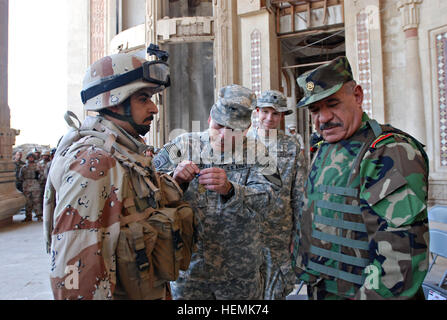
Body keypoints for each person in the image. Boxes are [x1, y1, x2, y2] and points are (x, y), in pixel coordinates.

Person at [292, 56, 429, 300]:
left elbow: (399, 265)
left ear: (357, 96)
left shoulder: (388, 151)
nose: (323, 118)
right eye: (315, 110)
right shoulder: (326, 145)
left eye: (332, 104)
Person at [43, 48, 175, 300]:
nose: (154, 108)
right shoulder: (95, 161)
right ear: (114, 100)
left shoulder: (123, 153)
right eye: (143, 98)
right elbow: (74, 270)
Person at [153, 84, 282, 300]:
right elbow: (148, 189)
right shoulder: (182, 144)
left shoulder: (261, 153)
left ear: (248, 128)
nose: (223, 136)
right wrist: (175, 182)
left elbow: (271, 199)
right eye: (219, 125)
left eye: (233, 131)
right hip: (189, 270)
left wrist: (232, 191)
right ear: (209, 119)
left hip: (239, 273)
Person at [247, 90, 306, 299]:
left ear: (282, 116)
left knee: (275, 291)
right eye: (265, 112)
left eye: (276, 114)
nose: (270, 118)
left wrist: (298, 236)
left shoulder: (291, 146)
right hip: (246, 232)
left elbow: (299, 194)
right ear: (256, 112)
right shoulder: (242, 144)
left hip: (279, 233)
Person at [18, 152, 44, 222]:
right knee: (27, 201)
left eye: (32, 157)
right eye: (29, 157)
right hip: (26, 185)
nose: (31, 158)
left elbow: (42, 175)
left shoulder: (37, 166)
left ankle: (39, 216)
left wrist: (39, 182)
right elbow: (20, 177)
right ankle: (28, 216)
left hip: (35, 184)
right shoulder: (24, 167)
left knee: (37, 201)